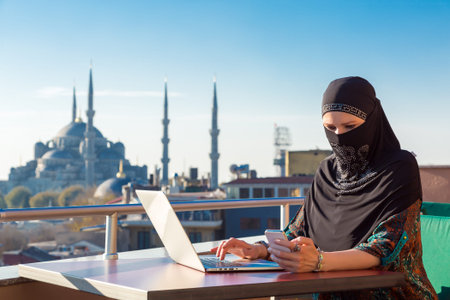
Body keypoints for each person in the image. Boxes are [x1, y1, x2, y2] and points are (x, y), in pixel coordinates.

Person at [212, 76, 437, 299]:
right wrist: (258, 250)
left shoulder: (399, 167)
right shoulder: (326, 171)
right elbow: (298, 232)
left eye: (350, 126)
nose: (339, 137)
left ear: (373, 121)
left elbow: (386, 246)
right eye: (330, 127)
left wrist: (319, 261)